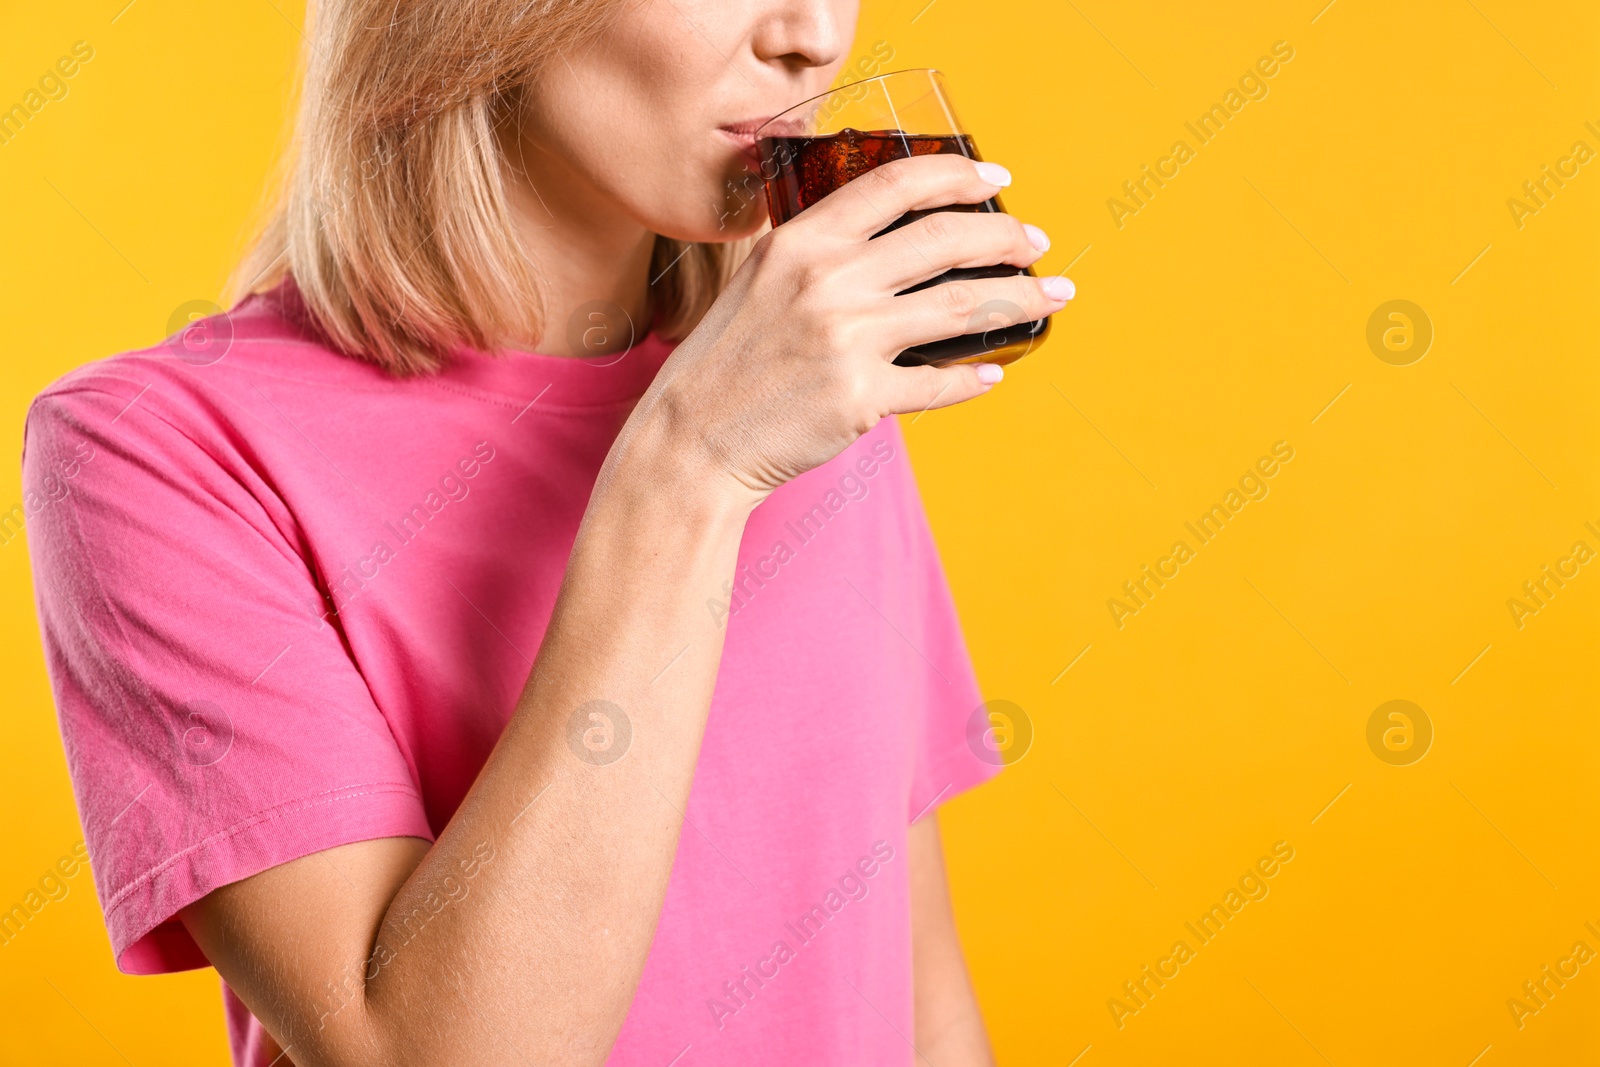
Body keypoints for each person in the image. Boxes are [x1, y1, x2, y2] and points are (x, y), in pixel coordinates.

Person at [23, 0, 1072, 1063]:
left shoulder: (798, 379)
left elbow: (912, 977)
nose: (812, 32)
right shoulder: (156, 449)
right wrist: (691, 467)